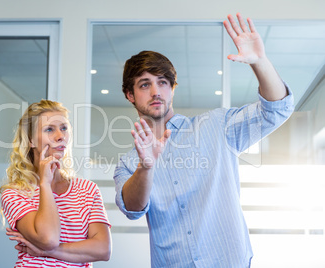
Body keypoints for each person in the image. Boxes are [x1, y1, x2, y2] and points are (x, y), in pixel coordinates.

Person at [113, 13, 294, 267]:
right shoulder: (129, 162)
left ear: (172, 88)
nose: (156, 92)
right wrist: (146, 166)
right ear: (129, 95)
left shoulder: (216, 126)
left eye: (163, 82)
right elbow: (132, 209)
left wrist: (260, 62)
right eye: (145, 85)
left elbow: (277, 111)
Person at [0, 100, 111, 268]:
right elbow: (48, 238)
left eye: (64, 128)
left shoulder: (87, 189)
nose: (60, 136)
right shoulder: (15, 193)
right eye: (50, 129)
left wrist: (46, 251)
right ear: (31, 140)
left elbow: (103, 250)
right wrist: (45, 184)